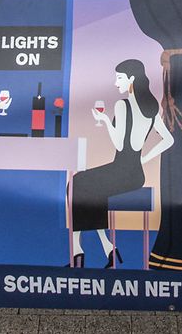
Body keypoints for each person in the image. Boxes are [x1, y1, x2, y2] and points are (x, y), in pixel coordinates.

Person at [70, 59, 174, 267]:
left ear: (132, 79)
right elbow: (169, 140)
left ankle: (78, 252)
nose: (116, 83)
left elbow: (119, 143)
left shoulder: (123, 105)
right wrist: (144, 158)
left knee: (78, 183)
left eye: (119, 78)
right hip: (136, 175)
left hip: (120, 171)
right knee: (88, 189)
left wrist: (106, 122)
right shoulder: (150, 109)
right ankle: (107, 248)